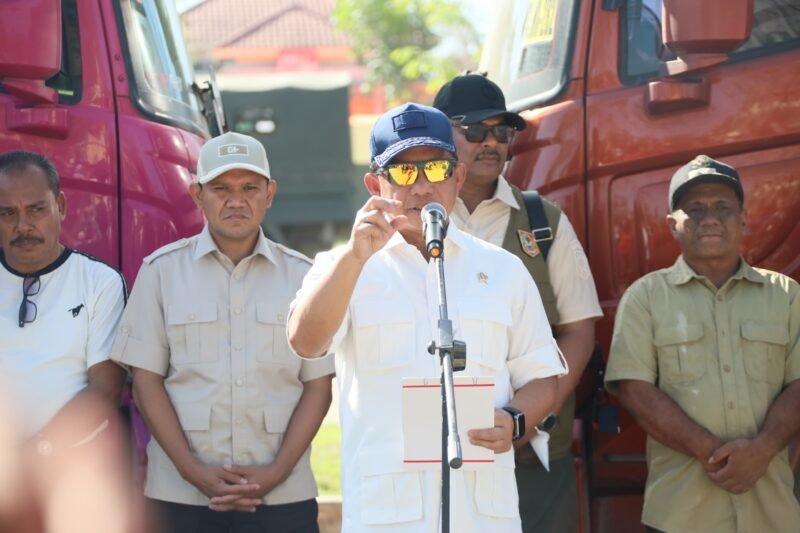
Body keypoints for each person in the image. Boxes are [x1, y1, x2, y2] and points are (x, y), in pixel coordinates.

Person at [287, 102, 566, 533]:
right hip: (387, 516)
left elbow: (544, 378)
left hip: (482, 513)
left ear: (457, 177)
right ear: (374, 183)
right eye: (401, 172)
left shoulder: (504, 270)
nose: (420, 186)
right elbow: (306, 342)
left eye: (435, 169)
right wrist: (355, 258)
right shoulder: (343, 267)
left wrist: (514, 419)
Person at [110, 132, 334, 533]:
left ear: (270, 193)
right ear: (197, 194)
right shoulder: (161, 273)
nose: (236, 200)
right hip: (181, 497)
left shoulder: (304, 277)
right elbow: (146, 381)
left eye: (250, 187)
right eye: (220, 188)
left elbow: (318, 386)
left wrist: (277, 472)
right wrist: (191, 470)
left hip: (283, 497)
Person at [433, 72, 602, 532]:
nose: (491, 143)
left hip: (535, 454)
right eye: (474, 130)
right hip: (434, 445)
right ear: (439, 133)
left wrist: (530, 416)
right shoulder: (415, 220)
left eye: (502, 132)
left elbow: (579, 330)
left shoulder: (542, 221)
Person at [604, 155, 800, 533]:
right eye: (694, 209)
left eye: (723, 207)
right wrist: (718, 456)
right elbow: (634, 391)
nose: (709, 217)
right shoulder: (645, 297)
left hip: (771, 513)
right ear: (672, 225)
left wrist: (762, 450)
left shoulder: (787, 295)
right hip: (680, 515)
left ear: (743, 218)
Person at [0, 150, 129, 531]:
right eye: (6, 213)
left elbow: (106, 389)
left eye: (36, 209)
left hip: (74, 477)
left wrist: (38, 451)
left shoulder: (100, 282)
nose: (22, 225)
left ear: (60, 205)